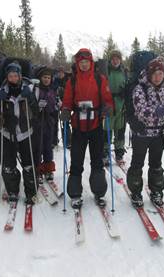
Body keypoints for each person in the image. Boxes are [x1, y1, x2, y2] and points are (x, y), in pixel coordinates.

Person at [60, 48, 114, 208]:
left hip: (96, 125)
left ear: (91, 63)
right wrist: (65, 110)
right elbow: (68, 100)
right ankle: (75, 193)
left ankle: (99, 192)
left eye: (86, 62)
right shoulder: (72, 81)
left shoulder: (100, 79)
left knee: (97, 160)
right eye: (81, 63)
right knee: (76, 160)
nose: (83, 65)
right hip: (78, 126)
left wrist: (108, 107)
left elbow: (107, 98)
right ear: (77, 64)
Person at [126, 57, 164, 208]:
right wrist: (160, 110)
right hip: (142, 133)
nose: (157, 77)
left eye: (160, 73)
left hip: (158, 133)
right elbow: (141, 111)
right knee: (137, 164)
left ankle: (156, 191)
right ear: (149, 74)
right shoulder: (139, 89)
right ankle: (135, 191)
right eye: (155, 74)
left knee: (156, 164)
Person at [0, 62, 39, 204]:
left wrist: (30, 97)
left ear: (20, 76)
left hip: (25, 131)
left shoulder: (30, 89)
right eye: (10, 76)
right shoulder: (2, 90)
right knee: (8, 165)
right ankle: (12, 191)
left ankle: (31, 192)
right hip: (7, 132)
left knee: (29, 164)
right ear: (7, 77)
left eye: (15, 75)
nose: (13, 78)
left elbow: (36, 111)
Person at [31, 66, 58, 182]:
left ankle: (48, 169)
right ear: (40, 78)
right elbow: (31, 104)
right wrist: (38, 107)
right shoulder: (36, 89)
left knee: (48, 146)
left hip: (48, 121)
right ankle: (38, 169)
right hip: (37, 121)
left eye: (48, 77)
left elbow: (54, 105)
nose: (47, 79)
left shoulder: (52, 90)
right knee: (38, 146)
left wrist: (57, 104)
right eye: (44, 77)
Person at [103, 50, 127, 166]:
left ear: (120, 60)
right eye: (113, 58)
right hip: (108, 103)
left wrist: (125, 91)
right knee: (107, 129)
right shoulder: (106, 71)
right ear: (110, 60)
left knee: (120, 130)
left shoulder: (124, 71)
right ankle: (105, 153)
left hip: (121, 104)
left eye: (117, 58)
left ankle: (119, 153)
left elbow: (128, 85)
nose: (115, 60)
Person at [52, 66, 70, 148]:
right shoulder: (55, 80)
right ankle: (54, 141)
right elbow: (53, 89)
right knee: (54, 122)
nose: (60, 74)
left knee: (65, 122)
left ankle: (67, 141)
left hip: (65, 102)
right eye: (59, 72)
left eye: (62, 72)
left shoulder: (67, 79)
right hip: (56, 102)